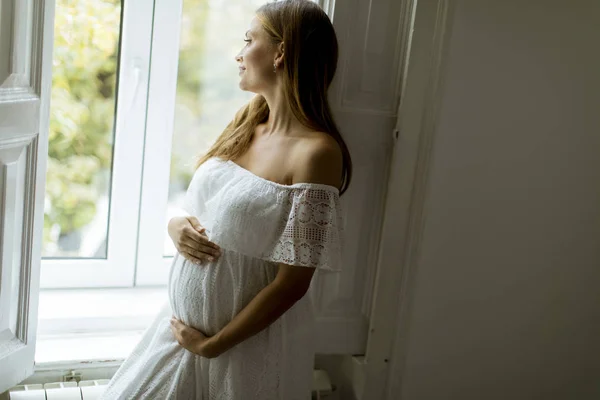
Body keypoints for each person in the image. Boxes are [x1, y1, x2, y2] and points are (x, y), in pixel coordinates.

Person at [99, 0, 351, 398]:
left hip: (241, 351)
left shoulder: (317, 154)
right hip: (180, 333)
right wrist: (175, 226)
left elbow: (293, 283)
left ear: (281, 52)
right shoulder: (248, 121)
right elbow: (208, 209)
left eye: (249, 40)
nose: (239, 53)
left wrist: (213, 346)